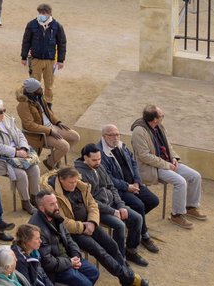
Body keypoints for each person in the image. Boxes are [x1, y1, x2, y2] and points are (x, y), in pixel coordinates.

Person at [46, 167, 149, 286]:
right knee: (99, 251)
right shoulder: (54, 196)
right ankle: (128, 278)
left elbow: (93, 205)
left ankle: (126, 277)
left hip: (90, 224)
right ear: (61, 180)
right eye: (71, 182)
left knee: (112, 245)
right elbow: (63, 222)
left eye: (75, 181)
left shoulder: (81, 186)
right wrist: (83, 227)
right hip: (73, 233)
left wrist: (92, 222)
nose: (74, 185)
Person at [130, 105, 205, 229]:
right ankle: (177, 215)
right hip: (152, 167)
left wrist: (174, 158)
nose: (163, 118)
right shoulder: (139, 132)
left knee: (195, 176)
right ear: (155, 119)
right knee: (180, 182)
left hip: (168, 162)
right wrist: (167, 165)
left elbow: (168, 146)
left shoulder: (159, 127)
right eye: (161, 116)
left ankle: (191, 206)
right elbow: (144, 156)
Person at [75, 145, 147, 267]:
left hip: (112, 203)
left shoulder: (99, 166)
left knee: (137, 218)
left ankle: (131, 251)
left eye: (99, 159)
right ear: (85, 157)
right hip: (97, 210)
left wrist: (120, 205)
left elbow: (111, 186)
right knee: (119, 225)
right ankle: (118, 257)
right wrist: (112, 211)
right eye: (94, 160)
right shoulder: (79, 174)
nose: (98, 162)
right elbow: (89, 201)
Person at [98, 126, 160, 255]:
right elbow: (108, 178)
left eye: (117, 134)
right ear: (104, 136)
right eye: (112, 135)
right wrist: (127, 187)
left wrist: (137, 181)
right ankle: (144, 235)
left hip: (134, 183)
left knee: (153, 201)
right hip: (120, 189)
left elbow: (133, 163)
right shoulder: (100, 153)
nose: (116, 138)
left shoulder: (122, 146)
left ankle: (134, 225)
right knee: (139, 205)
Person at [0, 98, 47, 213]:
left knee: (34, 169)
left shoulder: (7, 119)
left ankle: (35, 198)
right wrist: (16, 152)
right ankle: (26, 202)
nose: (3, 113)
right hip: (1, 160)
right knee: (21, 174)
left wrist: (24, 148)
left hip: (18, 154)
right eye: (0, 112)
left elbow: (20, 135)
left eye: (4, 110)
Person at [30, 192, 101, 286]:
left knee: (94, 272)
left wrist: (76, 257)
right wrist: (70, 263)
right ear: (42, 208)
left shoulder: (55, 216)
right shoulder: (37, 229)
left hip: (68, 259)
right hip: (56, 269)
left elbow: (69, 238)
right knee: (85, 283)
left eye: (56, 202)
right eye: (52, 204)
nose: (56, 207)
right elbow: (47, 262)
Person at [16, 79, 80, 170]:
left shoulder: (39, 98)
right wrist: (49, 131)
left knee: (75, 137)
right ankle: (50, 163)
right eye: (39, 88)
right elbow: (30, 125)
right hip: (41, 134)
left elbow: (49, 113)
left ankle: (52, 157)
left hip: (51, 127)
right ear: (32, 92)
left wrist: (58, 122)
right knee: (65, 146)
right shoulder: (23, 105)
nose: (41, 89)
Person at [21, 4, 66, 104]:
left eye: (44, 13)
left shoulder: (57, 26)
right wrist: (23, 57)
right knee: (33, 83)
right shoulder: (31, 24)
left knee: (48, 85)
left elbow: (62, 43)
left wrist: (60, 60)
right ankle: (34, 103)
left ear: (49, 13)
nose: (42, 15)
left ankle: (48, 103)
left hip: (50, 60)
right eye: (40, 13)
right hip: (35, 59)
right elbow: (26, 41)